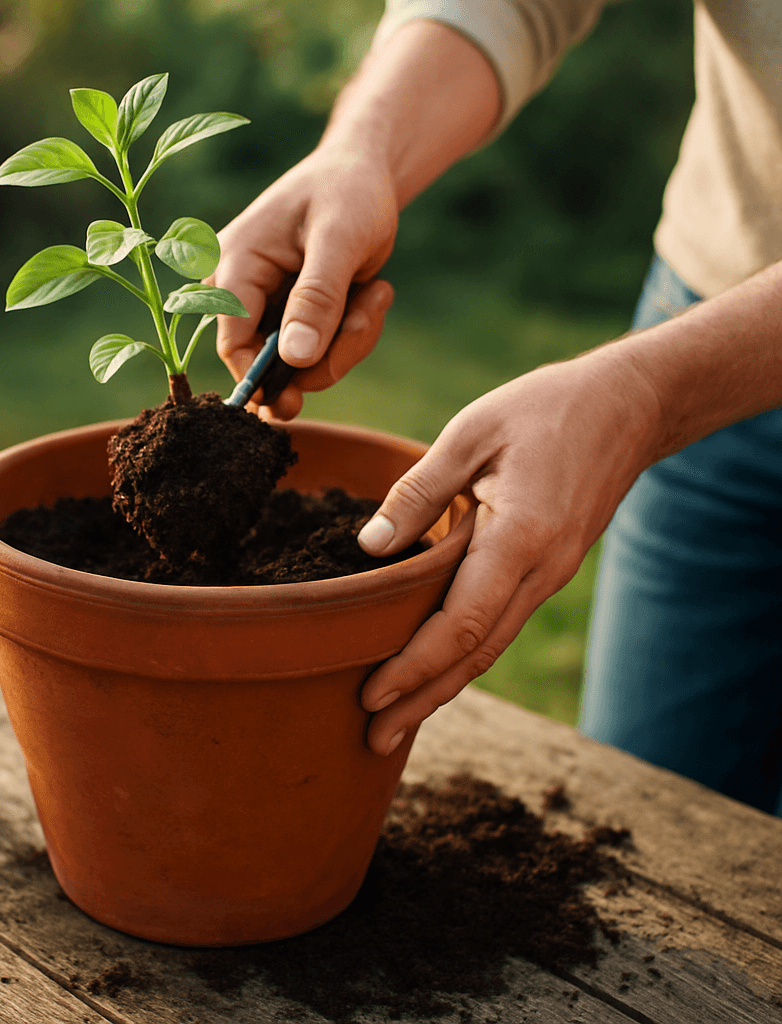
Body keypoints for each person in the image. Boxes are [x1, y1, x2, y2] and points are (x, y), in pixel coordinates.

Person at [212, 1, 782, 814]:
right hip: (717, 297)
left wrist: (648, 396)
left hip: (687, 367)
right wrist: (366, 147)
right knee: (647, 808)